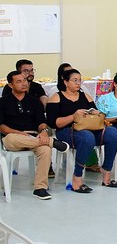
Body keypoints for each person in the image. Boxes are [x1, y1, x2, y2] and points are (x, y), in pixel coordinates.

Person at [46, 68, 117, 192]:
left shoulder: (85, 96)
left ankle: (106, 171)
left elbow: (95, 114)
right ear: (65, 82)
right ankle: (77, 177)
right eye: (74, 80)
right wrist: (73, 116)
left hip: (89, 128)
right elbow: (53, 123)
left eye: (80, 80)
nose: (78, 83)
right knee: (87, 137)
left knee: (113, 134)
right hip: (66, 131)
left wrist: (96, 113)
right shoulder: (56, 97)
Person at [0, 71, 69, 200]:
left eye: (25, 80)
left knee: (45, 149)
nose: (24, 84)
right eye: (19, 81)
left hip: (34, 137)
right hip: (12, 137)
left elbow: (41, 123)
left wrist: (43, 132)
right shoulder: (3, 102)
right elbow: (2, 127)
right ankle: (52, 142)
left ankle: (40, 188)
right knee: (12, 138)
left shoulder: (34, 101)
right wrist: (19, 133)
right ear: (10, 85)